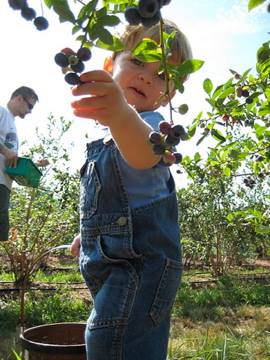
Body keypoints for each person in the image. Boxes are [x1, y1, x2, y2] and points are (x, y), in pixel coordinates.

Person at [70, 20, 192, 360]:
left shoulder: (152, 128)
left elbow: (140, 155)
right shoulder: (111, 132)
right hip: (115, 262)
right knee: (123, 344)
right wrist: (88, 234)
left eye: (162, 75)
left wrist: (120, 114)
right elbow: (106, 199)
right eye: (138, 62)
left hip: (142, 267)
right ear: (111, 67)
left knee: (111, 343)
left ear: (167, 96)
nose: (147, 78)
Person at [0, 86, 48, 242]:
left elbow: (10, 158)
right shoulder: (1, 112)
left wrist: (32, 165)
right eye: (30, 106)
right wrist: (6, 151)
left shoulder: (12, 123)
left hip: (4, 183)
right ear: (19, 98)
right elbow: (7, 153)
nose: (30, 111)